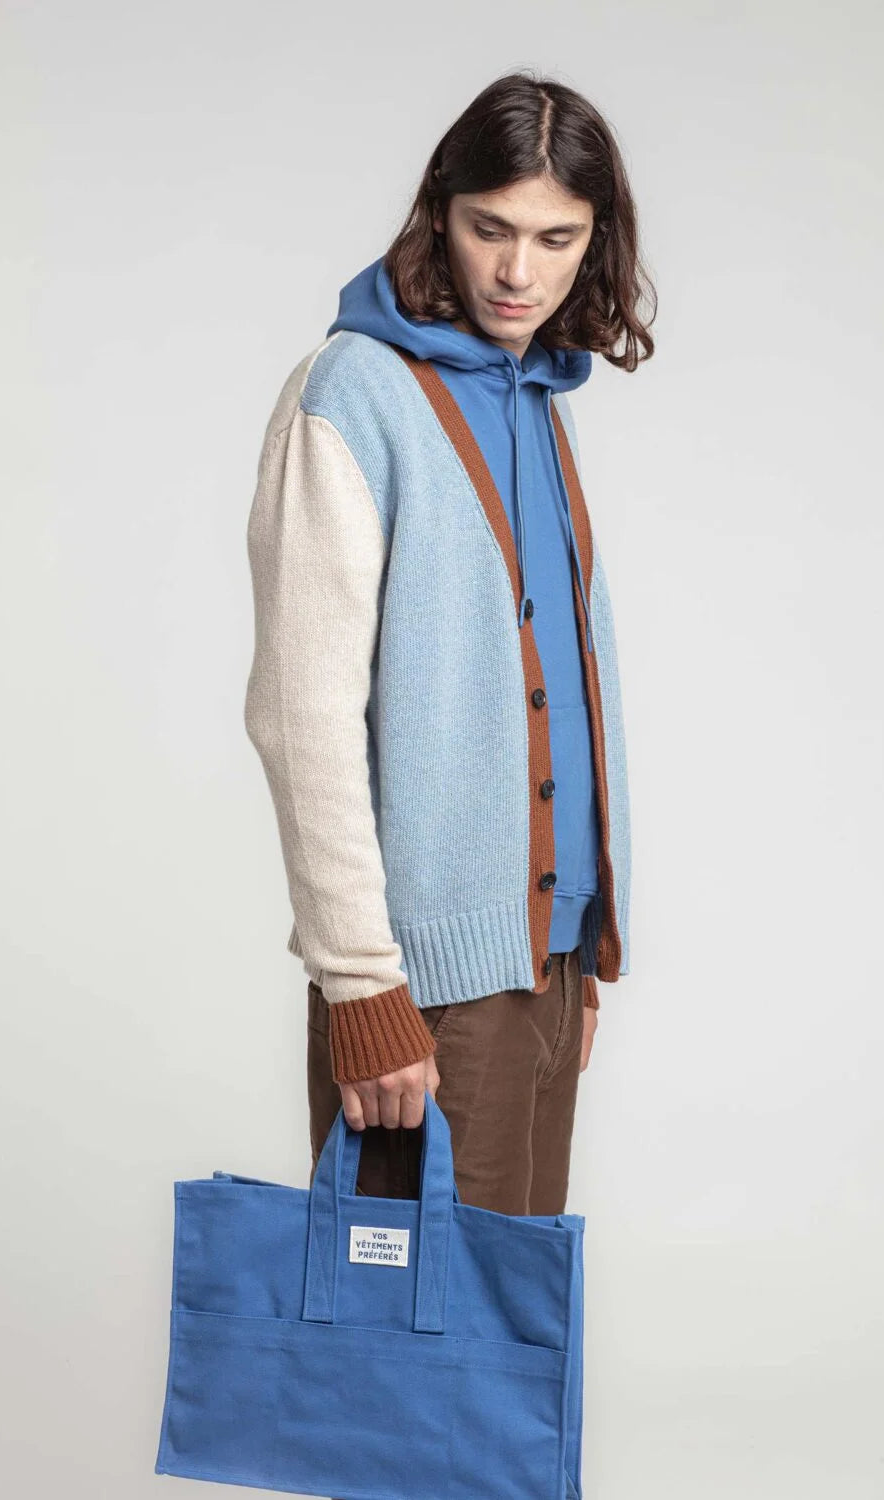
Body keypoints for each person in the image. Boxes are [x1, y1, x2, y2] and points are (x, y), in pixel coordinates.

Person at [243, 70, 655, 1215]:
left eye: (555, 239)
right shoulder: (354, 394)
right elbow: (300, 712)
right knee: (410, 1325)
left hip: (542, 970)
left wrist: (573, 950)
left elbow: (555, 679)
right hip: (421, 991)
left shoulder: (534, 399)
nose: (519, 272)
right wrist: (360, 986)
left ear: (596, 241)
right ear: (439, 211)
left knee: (504, 1323)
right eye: (491, 229)